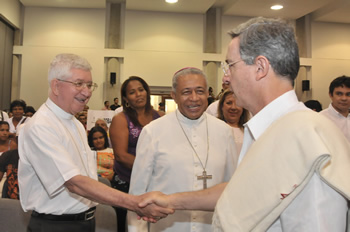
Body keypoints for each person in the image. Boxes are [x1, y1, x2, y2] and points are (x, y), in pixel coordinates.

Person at [140, 17, 350, 231]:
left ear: (260, 67)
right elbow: (242, 191)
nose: (225, 79)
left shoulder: (306, 136)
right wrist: (172, 201)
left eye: (230, 66)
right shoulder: (271, 127)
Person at [18, 53, 173, 232]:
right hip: (56, 225)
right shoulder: (41, 126)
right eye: (79, 84)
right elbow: (74, 182)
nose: (87, 91)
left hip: (84, 221)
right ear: (56, 86)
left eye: (90, 85)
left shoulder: (74, 123)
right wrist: (135, 202)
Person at [128, 67, 237, 232]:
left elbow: (231, 188)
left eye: (200, 91)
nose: (194, 98)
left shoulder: (224, 132)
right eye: (186, 92)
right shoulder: (153, 132)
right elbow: (137, 195)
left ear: (207, 93)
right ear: (174, 96)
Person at [109, 75, 162, 232]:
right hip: (126, 183)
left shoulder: (159, 116)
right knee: (126, 226)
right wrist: (150, 168)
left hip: (154, 183)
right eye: (132, 92)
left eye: (141, 90)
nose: (138, 94)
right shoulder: (121, 119)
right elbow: (121, 156)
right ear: (125, 98)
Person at [320, 75, 350, 141]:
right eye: (339, 94)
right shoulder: (320, 119)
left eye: (348, 94)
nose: (344, 98)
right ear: (330, 95)